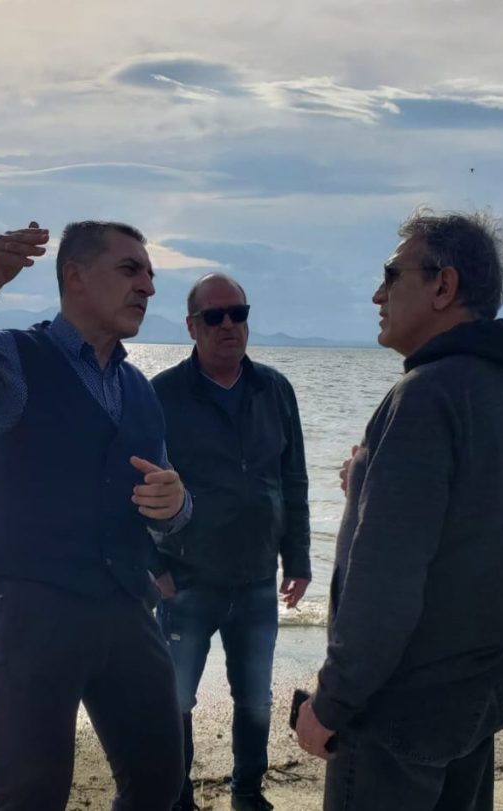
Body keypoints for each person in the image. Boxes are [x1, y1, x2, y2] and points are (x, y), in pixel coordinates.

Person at [0, 221, 190, 811]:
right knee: (32, 796)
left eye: (151, 275)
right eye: (130, 269)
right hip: (33, 613)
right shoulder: (13, 357)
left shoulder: (139, 388)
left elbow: (166, 500)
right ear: (75, 277)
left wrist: (176, 504)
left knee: (159, 781)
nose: (148, 287)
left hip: (127, 607)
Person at [294, 208, 503, 811]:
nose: (378, 294)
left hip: (401, 708)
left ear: (444, 286)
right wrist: (369, 481)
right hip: (478, 692)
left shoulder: (424, 397)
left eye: (392, 274)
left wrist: (332, 702)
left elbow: (386, 577)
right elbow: (487, 536)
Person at [151, 273, 311, 811]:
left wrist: (299, 559)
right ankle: (177, 798)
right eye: (214, 317)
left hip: (258, 578)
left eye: (237, 314)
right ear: (191, 326)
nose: (228, 326)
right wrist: (151, 564)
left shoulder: (275, 390)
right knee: (175, 700)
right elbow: (134, 487)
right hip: (186, 580)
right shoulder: (163, 395)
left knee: (256, 701)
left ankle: (247, 792)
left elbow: (293, 480)